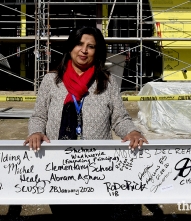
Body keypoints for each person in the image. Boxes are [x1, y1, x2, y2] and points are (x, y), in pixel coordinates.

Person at [24, 26, 148, 219]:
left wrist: (131, 131)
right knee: (65, 215)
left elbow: (119, 118)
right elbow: (39, 116)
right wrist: (36, 132)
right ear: (70, 47)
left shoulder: (106, 81)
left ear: (96, 52)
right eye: (79, 44)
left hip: (98, 166)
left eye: (90, 46)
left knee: (96, 216)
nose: (84, 50)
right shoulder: (51, 81)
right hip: (59, 165)